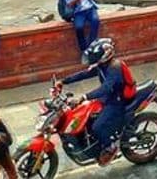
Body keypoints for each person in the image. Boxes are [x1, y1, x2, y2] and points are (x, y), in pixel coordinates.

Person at [58, 38, 136, 166]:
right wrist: (64, 81)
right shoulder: (102, 65)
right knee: (87, 118)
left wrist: (83, 97)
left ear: (104, 56)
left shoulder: (114, 67)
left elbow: (105, 88)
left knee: (97, 127)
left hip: (117, 101)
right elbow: (84, 74)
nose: (92, 60)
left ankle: (110, 148)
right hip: (107, 98)